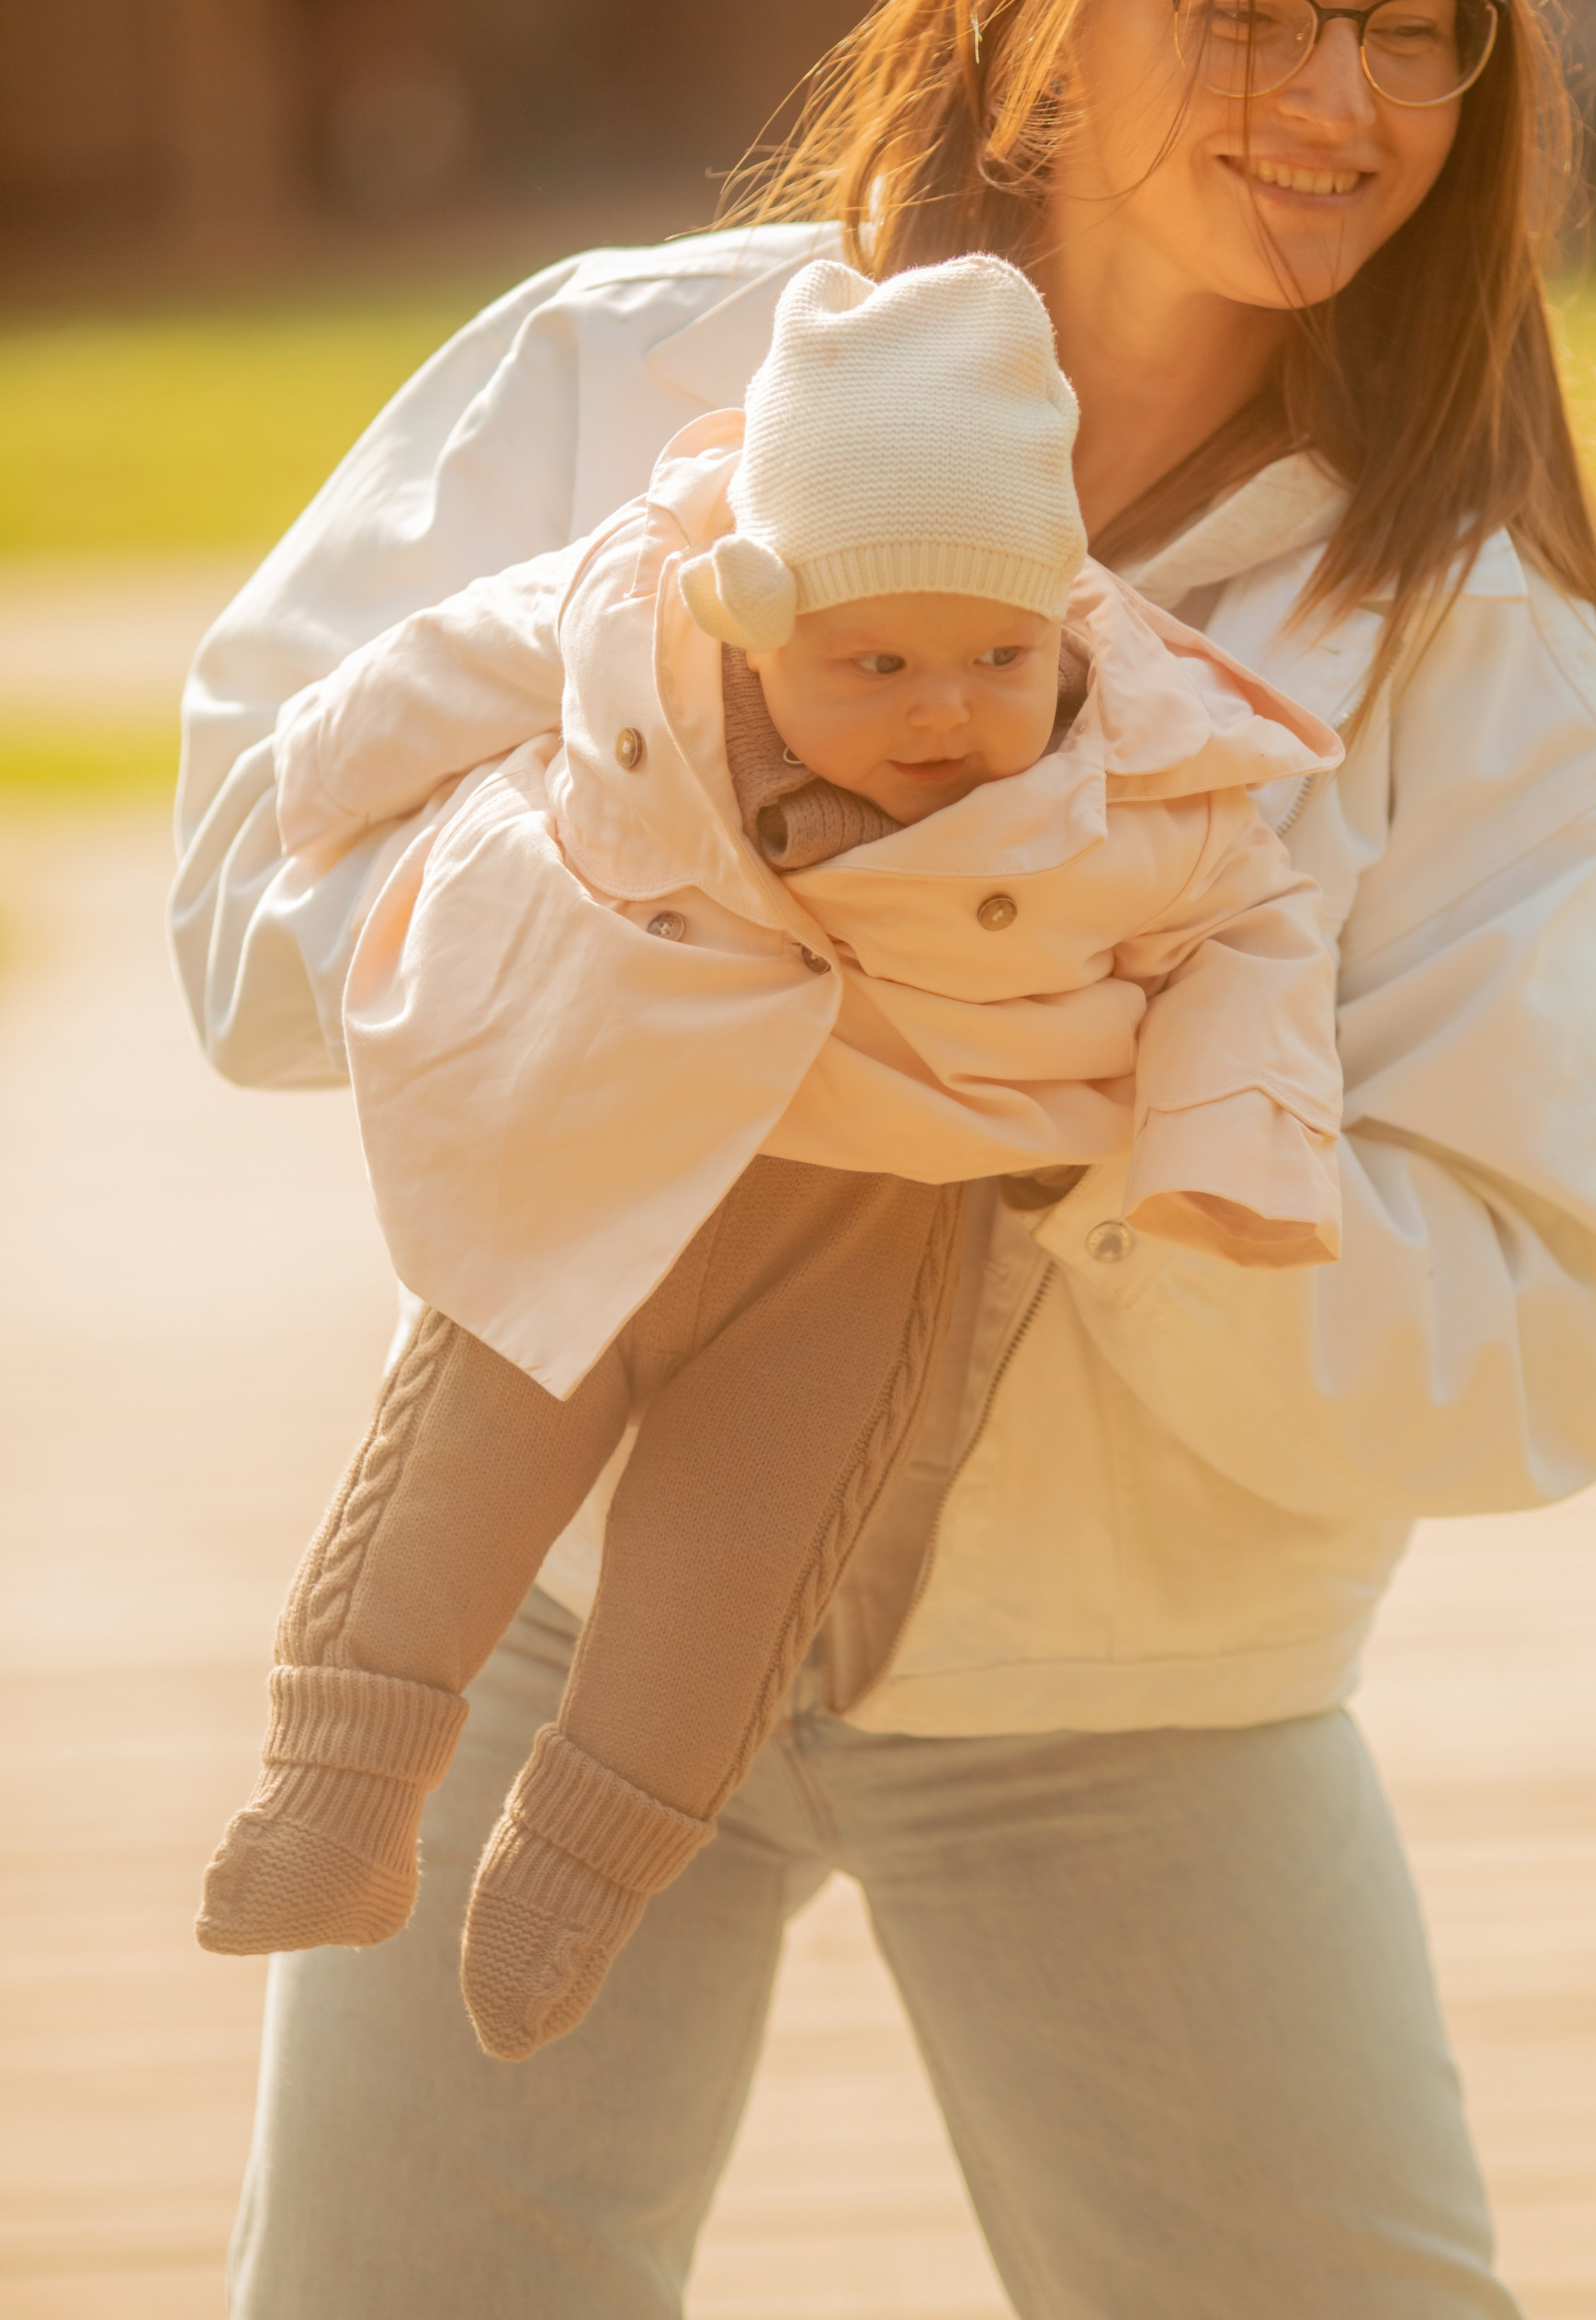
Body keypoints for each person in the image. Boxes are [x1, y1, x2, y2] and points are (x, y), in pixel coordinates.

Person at [173, 0, 1596, 2318]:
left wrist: (1087, 1122)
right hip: (541, 1643)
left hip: (1143, 1718)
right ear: (1028, 8)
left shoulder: (1483, 657)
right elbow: (247, 907)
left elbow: (1544, 1337)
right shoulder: (619, 381)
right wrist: (706, 980)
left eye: (1407, 28)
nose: (1332, 96)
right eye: (1241, 6)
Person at [194, 250, 1343, 2065]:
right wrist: (312, 795)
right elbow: (431, 671)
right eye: (870, 663)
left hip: (869, 1231)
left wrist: (1224, 1153)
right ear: (753, 618)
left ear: (1064, 625)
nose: (939, 712)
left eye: (993, 658)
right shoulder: (632, 624)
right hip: (598, 1143)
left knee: (730, 1566)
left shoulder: (1134, 776)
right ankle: (333, 1801)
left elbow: (1255, 936)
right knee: (463, 1463)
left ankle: (577, 1877)